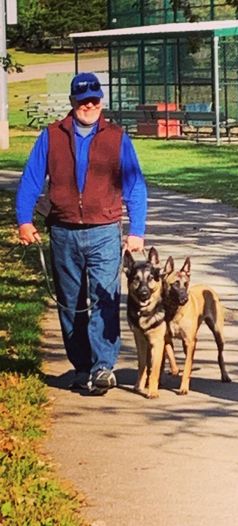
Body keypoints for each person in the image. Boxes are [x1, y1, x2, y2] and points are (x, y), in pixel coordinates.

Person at [15, 72, 147, 395]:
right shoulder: (51, 136)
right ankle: (81, 366)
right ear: (73, 102)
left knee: (104, 299)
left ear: (101, 101)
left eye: (94, 99)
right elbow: (31, 180)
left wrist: (137, 231)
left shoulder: (118, 138)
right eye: (83, 99)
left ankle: (103, 368)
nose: (89, 105)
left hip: (105, 231)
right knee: (70, 303)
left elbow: (135, 186)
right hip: (63, 231)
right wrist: (24, 220)